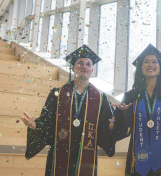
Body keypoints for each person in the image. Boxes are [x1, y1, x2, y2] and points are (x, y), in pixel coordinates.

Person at [21, 45, 116, 176]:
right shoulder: (57, 94)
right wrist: (34, 125)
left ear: (92, 70)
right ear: (73, 68)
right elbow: (47, 123)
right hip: (59, 154)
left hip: (86, 157)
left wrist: (117, 120)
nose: (84, 66)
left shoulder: (101, 98)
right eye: (80, 63)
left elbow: (104, 129)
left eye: (88, 64)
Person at [113, 44, 161, 176]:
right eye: (146, 61)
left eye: (154, 61)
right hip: (137, 157)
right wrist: (122, 113)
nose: (150, 65)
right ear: (141, 68)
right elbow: (123, 130)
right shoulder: (131, 96)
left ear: (160, 67)